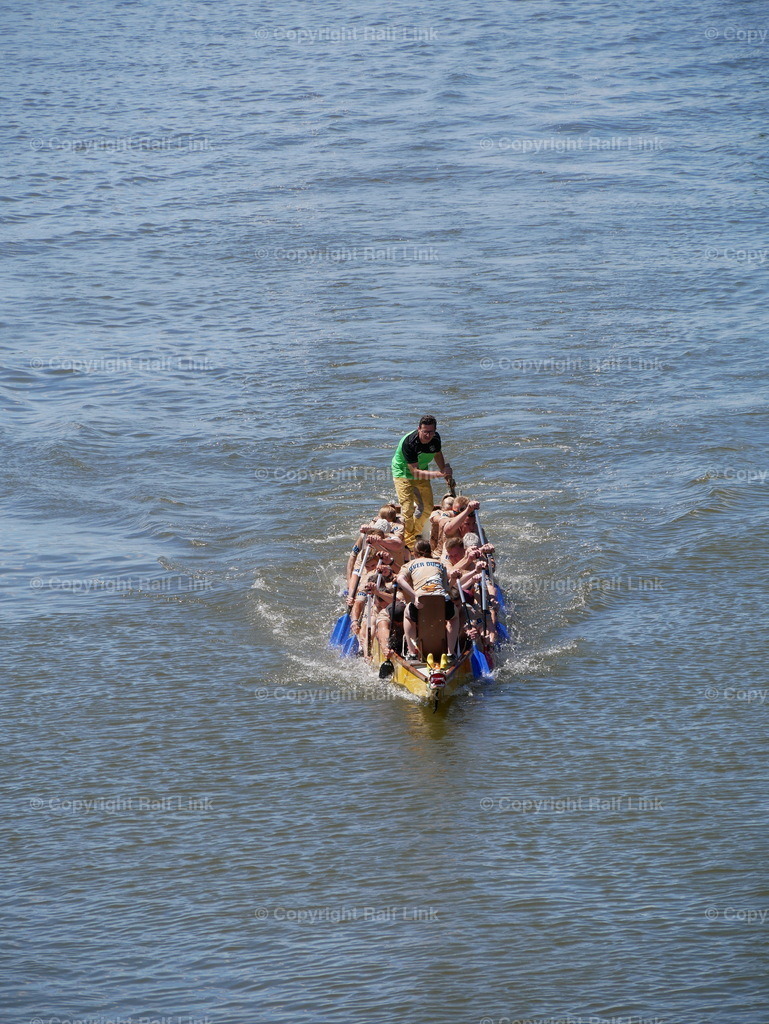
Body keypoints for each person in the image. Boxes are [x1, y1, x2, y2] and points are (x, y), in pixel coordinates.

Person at [391, 415, 453, 551]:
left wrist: (444, 470)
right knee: (407, 509)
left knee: (427, 507)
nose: (428, 435)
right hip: (403, 473)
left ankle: (414, 532)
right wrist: (439, 474)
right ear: (419, 428)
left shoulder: (435, 438)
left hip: (422, 470)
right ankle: (409, 544)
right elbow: (414, 472)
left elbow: (437, 454)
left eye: (431, 432)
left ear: (435, 431)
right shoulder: (410, 442)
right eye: (425, 431)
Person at [396, 539, 459, 659]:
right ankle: (451, 653)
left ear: (414, 554)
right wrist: (454, 579)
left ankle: (412, 653)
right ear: (430, 552)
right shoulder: (440, 564)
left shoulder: (409, 564)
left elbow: (399, 580)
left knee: (407, 615)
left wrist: (414, 595)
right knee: (454, 617)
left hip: (420, 603)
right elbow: (447, 588)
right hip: (442, 603)